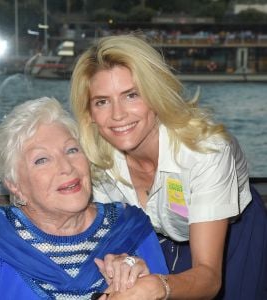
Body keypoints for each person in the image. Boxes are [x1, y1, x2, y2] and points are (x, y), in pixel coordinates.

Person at [70, 34, 267, 299]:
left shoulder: (205, 152)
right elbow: (117, 237)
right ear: (90, 113)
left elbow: (208, 277)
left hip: (232, 231)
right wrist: (121, 261)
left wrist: (159, 287)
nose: (117, 115)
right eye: (102, 101)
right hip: (158, 234)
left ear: (156, 95)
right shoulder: (96, 161)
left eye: (131, 95)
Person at [0, 97, 169, 300]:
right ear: (14, 184)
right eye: (42, 160)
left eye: (72, 150)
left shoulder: (130, 229)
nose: (66, 167)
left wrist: (145, 283)